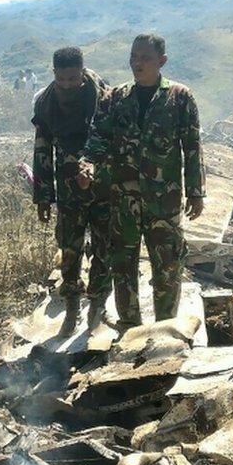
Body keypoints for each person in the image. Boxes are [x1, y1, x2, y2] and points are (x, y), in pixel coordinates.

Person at [80, 34, 205, 327]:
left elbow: (193, 147)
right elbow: (97, 140)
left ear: (162, 61)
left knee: (168, 266)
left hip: (165, 201)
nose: (138, 63)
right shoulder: (114, 98)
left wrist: (196, 192)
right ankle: (129, 326)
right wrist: (87, 166)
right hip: (123, 201)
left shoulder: (180, 97)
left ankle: (165, 327)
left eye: (145, 58)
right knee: (122, 265)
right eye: (134, 57)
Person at [33, 47, 114, 336]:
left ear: (82, 72)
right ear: (54, 74)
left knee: (104, 247)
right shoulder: (45, 104)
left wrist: (94, 167)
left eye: (73, 79)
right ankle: (70, 305)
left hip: (103, 185)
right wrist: (43, 196)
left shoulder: (102, 96)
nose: (68, 85)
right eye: (62, 79)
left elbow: (109, 137)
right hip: (68, 189)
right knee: (69, 249)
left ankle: (97, 303)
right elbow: (42, 149)